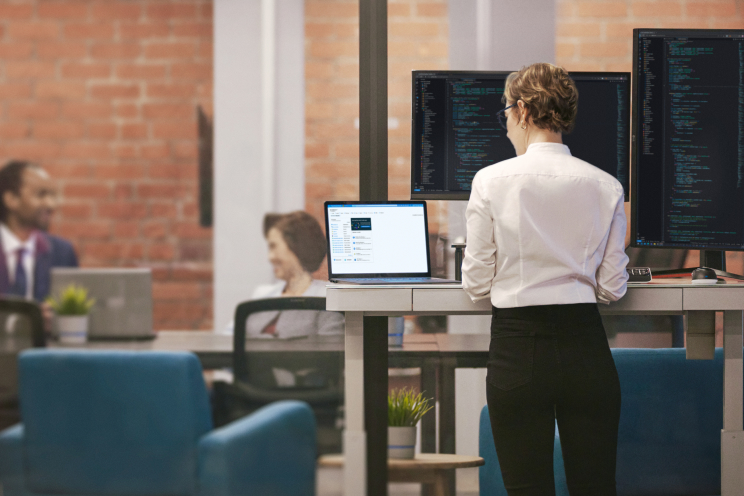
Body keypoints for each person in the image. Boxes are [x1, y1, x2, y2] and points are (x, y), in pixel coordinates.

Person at [462, 63, 628, 496]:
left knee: (526, 488)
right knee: (595, 487)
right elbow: (612, 287)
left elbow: (476, 284)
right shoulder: (607, 186)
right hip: (586, 349)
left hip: (518, 349)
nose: (505, 127)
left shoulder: (490, 181)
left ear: (523, 110)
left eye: (506, 115)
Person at [227, 210, 343, 338]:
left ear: (297, 247)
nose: (270, 257)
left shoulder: (328, 297)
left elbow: (331, 352)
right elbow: (229, 337)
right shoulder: (262, 294)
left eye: (274, 247)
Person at [0, 160, 78, 302]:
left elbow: (73, 313)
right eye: (40, 195)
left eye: (52, 195)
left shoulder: (62, 253)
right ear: (11, 199)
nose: (51, 204)